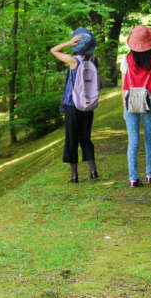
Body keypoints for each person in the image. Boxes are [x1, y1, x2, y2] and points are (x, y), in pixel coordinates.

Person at [121, 25, 151, 188]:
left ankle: (133, 178)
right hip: (150, 101)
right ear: (149, 43)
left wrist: (124, 107)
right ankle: (150, 174)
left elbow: (124, 86)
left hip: (130, 102)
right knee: (150, 139)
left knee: (133, 140)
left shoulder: (126, 60)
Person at [50, 27, 99, 183]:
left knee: (71, 139)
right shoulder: (95, 61)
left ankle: (74, 175)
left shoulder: (73, 61)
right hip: (88, 104)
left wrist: (69, 42)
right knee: (85, 137)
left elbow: (54, 50)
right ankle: (93, 171)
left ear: (76, 46)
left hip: (72, 105)